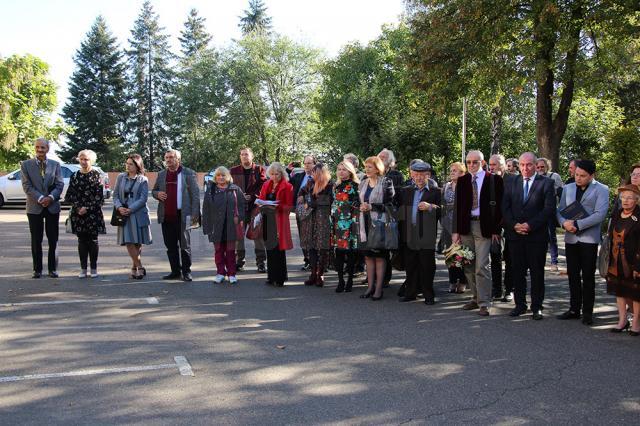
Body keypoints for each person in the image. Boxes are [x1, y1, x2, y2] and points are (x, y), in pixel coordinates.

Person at [501, 153, 556, 320]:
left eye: (529, 165)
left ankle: (536, 307)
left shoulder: (547, 183)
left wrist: (529, 225)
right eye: (523, 165)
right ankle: (520, 305)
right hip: (515, 235)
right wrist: (514, 225)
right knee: (517, 272)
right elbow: (505, 207)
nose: (525, 168)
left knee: (537, 273)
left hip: (536, 237)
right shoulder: (511, 182)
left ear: (535, 164)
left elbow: (548, 210)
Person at [556, 159, 609, 325]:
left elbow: (600, 214)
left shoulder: (602, 189)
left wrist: (577, 224)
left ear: (592, 175)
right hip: (571, 238)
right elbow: (560, 210)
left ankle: (587, 312)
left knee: (587, 276)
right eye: (576, 174)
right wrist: (564, 223)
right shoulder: (568, 187)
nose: (578, 178)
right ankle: (574, 309)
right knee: (572, 275)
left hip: (589, 239)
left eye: (582, 176)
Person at [452, 150, 504, 316]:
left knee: (482, 265)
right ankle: (475, 298)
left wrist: (497, 229)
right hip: (466, 227)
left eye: (475, 162)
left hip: (485, 228)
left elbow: (501, 207)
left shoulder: (494, 180)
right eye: (468, 162)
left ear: (483, 163)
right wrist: (456, 231)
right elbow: (457, 207)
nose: (472, 165)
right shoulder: (463, 180)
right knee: (468, 265)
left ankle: (485, 302)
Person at [152, 149, 200, 282]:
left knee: (185, 245)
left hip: (183, 215)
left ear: (178, 159)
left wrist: (195, 217)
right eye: (166, 157)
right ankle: (175, 271)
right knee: (170, 246)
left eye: (171, 157)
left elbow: (195, 196)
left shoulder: (188, 173)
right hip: (166, 216)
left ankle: (186, 272)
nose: (168, 160)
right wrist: (157, 194)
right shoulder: (162, 174)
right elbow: (154, 190)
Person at [397, 161, 441, 304]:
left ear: (428, 175)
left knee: (427, 265)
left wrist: (430, 207)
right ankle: (411, 293)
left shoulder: (435, 191)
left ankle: (429, 295)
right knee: (410, 264)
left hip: (427, 234)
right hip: (410, 232)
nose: (419, 178)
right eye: (416, 174)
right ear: (411, 175)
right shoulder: (406, 191)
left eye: (422, 175)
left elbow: (443, 211)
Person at [21, 138, 64, 278]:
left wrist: (50, 198)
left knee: (53, 239)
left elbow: (59, 185)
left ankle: (53, 269)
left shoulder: (55, 165)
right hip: (34, 207)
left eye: (43, 148)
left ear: (47, 149)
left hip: (52, 207)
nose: (40, 150)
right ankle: (37, 270)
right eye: (37, 147)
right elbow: (27, 186)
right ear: (35, 148)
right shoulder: (26, 165)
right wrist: (40, 198)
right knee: (36, 239)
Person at [64, 149, 106, 278]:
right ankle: (83, 269)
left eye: (86, 159)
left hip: (93, 213)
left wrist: (87, 208)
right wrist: (78, 208)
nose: (83, 161)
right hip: (78, 214)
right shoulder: (75, 175)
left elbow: (100, 198)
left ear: (91, 161)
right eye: (81, 159)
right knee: (81, 241)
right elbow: (68, 196)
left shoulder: (97, 175)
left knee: (93, 241)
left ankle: (93, 268)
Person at [358, 156, 395, 300]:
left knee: (379, 257)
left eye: (370, 167)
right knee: (368, 256)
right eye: (366, 167)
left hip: (380, 224)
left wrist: (372, 206)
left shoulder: (386, 182)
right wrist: (360, 206)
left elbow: (391, 205)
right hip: (364, 223)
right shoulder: (363, 183)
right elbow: (357, 200)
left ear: (378, 168)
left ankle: (379, 289)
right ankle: (369, 287)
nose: (366, 170)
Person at [605, 184, 640, 335]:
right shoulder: (617, 214)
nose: (625, 200)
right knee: (620, 291)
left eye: (630, 198)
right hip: (616, 260)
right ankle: (622, 320)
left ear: (637, 200)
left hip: (634, 262)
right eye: (623, 197)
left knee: (635, 294)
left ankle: (636, 324)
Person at [202, 167, 246, 284]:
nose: (220, 177)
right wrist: (206, 227)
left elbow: (242, 206)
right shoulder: (210, 190)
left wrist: (240, 217)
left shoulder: (235, 189)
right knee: (219, 251)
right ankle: (220, 273)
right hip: (216, 226)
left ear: (227, 176)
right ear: (215, 177)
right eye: (218, 175)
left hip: (231, 226)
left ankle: (232, 273)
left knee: (231, 251)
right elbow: (206, 210)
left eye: (223, 175)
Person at [113, 154, 152, 279]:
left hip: (138, 213)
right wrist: (119, 207)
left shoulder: (143, 180)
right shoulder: (121, 177)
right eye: (127, 163)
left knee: (137, 242)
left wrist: (131, 209)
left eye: (131, 164)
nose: (128, 166)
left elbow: (143, 199)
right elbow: (115, 196)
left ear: (137, 166)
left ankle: (133, 267)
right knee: (129, 241)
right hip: (123, 214)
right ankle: (140, 266)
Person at [230, 147, 267, 273]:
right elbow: (229, 187)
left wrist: (252, 196)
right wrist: (240, 196)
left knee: (258, 236)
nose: (244, 156)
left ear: (252, 156)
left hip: (255, 207)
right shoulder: (233, 171)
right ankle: (239, 262)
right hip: (239, 208)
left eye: (246, 154)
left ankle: (261, 262)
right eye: (242, 154)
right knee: (238, 236)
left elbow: (263, 186)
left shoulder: (259, 169)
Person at [258, 162, 294, 287]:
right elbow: (261, 200)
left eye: (277, 174)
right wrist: (262, 204)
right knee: (269, 248)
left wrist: (277, 206)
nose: (274, 176)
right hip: (267, 219)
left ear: (282, 173)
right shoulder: (266, 184)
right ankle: (271, 276)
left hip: (280, 220)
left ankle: (280, 277)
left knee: (278, 250)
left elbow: (289, 206)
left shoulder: (288, 186)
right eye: (272, 174)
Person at [299, 163, 334, 287]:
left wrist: (311, 202)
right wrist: (306, 200)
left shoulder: (330, 185)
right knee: (312, 247)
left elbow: (328, 201)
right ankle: (313, 274)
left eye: (314, 172)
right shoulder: (309, 184)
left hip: (323, 220)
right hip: (311, 219)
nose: (312, 174)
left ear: (320, 173)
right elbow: (301, 195)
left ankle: (321, 274)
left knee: (323, 247)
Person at [331, 161, 360, 293]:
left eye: (344, 169)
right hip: (337, 223)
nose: (341, 172)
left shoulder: (355, 186)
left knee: (351, 252)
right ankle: (340, 280)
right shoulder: (335, 186)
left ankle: (350, 280)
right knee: (339, 252)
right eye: (339, 169)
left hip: (350, 222)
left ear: (350, 171)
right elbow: (334, 204)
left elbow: (358, 204)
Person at [441, 162, 467, 294]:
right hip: (448, 225)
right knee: (450, 254)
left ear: (463, 173)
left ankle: (462, 281)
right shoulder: (446, 186)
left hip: (462, 224)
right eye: (451, 170)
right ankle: (452, 281)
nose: (452, 172)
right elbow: (442, 204)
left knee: (461, 255)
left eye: (455, 170)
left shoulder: (466, 186)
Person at [536, 157, 563, 272]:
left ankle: (553, 261)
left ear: (547, 166)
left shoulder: (554, 177)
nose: (540, 169)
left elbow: (559, 192)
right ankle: (537, 261)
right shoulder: (534, 177)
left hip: (549, 211)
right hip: (536, 211)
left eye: (542, 166)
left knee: (551, 237)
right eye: (538, 167)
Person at [290, 155, 317, 270]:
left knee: (313, 236)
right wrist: (287, 169)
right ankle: (307, 260)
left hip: (314, 211)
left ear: (314, 164)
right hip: (300, 211)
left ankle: (315, 261)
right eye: (305, 163)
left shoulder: (318, 178)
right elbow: (286, 182)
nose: (306, 166)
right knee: (303, 236)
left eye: (309, 163)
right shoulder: (298, 176)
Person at [488, 154, 508, 300]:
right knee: (495, 257)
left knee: (510, 259)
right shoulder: (488, 180)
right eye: (490, 164)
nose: (492, 167)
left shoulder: (512, 180)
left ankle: (509, 289)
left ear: (503, 165)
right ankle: (496, 289)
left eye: (495, 164)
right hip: (493, 226)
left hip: (510, 226)